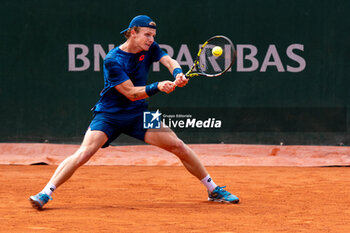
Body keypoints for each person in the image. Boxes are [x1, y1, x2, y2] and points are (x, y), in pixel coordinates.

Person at [29, 15, 239, 210]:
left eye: (153, 36)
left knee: (178, 145)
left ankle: (213, 190)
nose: (151, 39)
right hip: (109, 114)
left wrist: (178, 73)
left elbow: (169, 60)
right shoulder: (113, 60)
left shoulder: (151, 48)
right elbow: (130, 92)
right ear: (133, 33)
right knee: (84, 152)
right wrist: (158, 86)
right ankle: (45, 193)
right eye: (147, 34)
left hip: (139, 114)